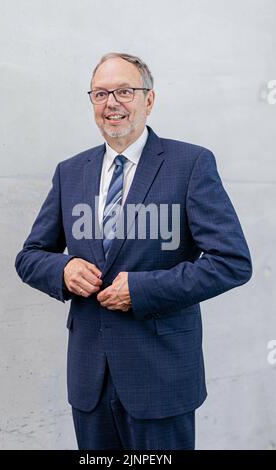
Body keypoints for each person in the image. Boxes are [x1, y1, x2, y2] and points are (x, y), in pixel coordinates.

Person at [15, 52, 252, 450]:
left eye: (125, 91)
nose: (112, 103)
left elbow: (231, 262)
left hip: (162, 374)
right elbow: (30, 255)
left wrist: (141, 290)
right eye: (101, 93)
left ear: (149, 100)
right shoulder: (70, 171)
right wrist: (63, 269)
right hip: (89, 377)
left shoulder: (190, 163)